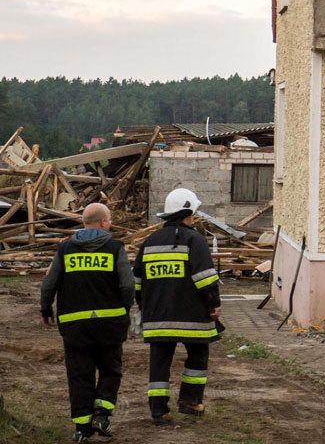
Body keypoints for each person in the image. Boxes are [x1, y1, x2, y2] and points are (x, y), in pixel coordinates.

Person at [40, 202, 134, 442]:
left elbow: (50, 283)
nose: (110, 224)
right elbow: (127, 284)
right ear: (103, 222)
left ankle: (82, 428)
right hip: (109, 324)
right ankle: (101, 416)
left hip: (75, 326)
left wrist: (45, 309)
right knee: (110, 370)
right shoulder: (115, 248)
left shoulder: (65, 250)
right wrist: (124, 309)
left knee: (79, 375)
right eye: (110, 220)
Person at [133, 188, 222, 426]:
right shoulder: (196, 240)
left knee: (159, 363)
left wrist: (146, 309)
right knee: (198, 354)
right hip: (192, 317)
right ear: (187, 212)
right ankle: (190, 402)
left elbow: (138, 284)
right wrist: (214, 304)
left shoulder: (149, 243)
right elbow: (204, 279)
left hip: (157, 318)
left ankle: (159, 412)